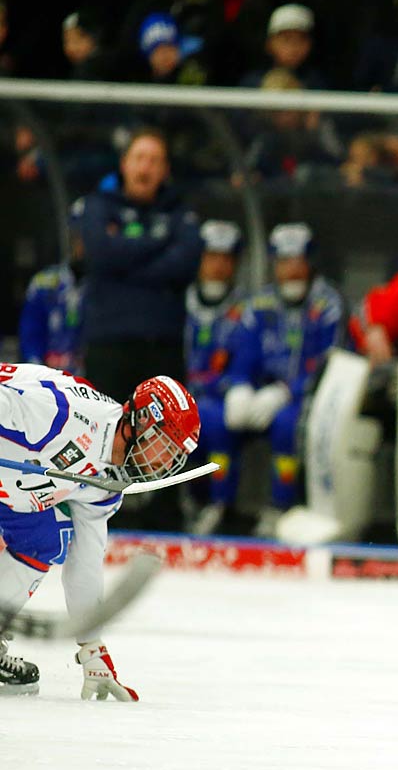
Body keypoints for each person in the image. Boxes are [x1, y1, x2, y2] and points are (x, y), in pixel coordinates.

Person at [0, 369, 200, 699]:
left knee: (43, 541)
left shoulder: (108, 482)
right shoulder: (59, 418)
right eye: (165, 448)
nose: (165, 464)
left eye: (174, 457)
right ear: (141, 422)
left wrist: (92, 646)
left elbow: (87, 559)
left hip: (10, 484)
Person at [219, 224, 346, 534]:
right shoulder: (259, 304)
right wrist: (239, 387)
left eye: (297, 261)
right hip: (261, 394)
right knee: (215, 419)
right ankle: (219, 506)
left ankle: (281, 506)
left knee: (287, 425)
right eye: (284, 262)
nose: (291, 270)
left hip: (307, 399)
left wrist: (286, 392)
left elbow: (330, 364)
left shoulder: (327, 304)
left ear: (310, 263)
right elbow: (243, 355)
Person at [72, 130, 202, 418]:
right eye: (139, 158)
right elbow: (100, 253)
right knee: (104, 439)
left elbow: (184, 264)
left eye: (154, 161)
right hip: (109, 347)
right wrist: (159, 242)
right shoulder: (98, 206)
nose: (145, 168)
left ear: (165, 170)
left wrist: (124, 261)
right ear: (124, 164)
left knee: (163, 444)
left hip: (163, 349)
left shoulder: (180, 211)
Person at [184, 221, 253, 535]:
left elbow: (247, 360)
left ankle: (219, 505)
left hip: (220, 398)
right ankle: (181, 500)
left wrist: (232, 386)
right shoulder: (180, 303)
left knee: (216, 421)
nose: (218, 265)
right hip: (177, 392)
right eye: (211, 256)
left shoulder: (246, 310)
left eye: (227, 258)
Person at [18, 245, 83, 374]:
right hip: (50, 374)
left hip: (94, 372)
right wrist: (36, 371)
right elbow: (31, 332)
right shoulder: (44, 283)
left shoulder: (113, 284)